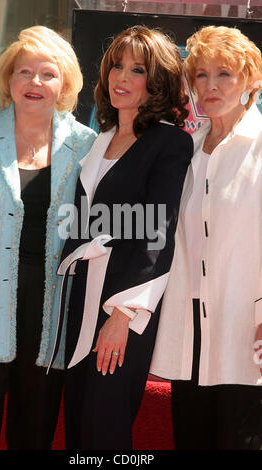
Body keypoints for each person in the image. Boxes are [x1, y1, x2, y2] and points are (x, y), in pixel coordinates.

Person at [50, 25, 193, 450]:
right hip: (81, 305)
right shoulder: (100, 141)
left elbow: (158, 231)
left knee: (106, 429)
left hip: (121, 310)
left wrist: (123, 315)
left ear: (158, 82)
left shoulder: (170, 142)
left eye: (137, 69)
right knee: (79, 422)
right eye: (116, 66)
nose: (121, 77)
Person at [0, 25, 96, 450]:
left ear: (66, 84)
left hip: (50, 313)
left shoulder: (88, 147)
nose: (35, 83)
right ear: (8, 80)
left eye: (48, 74)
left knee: (33, 431)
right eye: (24, 72)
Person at [150, 25, 262, 450]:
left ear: (251, 80)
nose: (210, 86)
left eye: (225, 74)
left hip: (248, 332)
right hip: (190, 332)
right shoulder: (188, 149)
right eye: (201, 75)